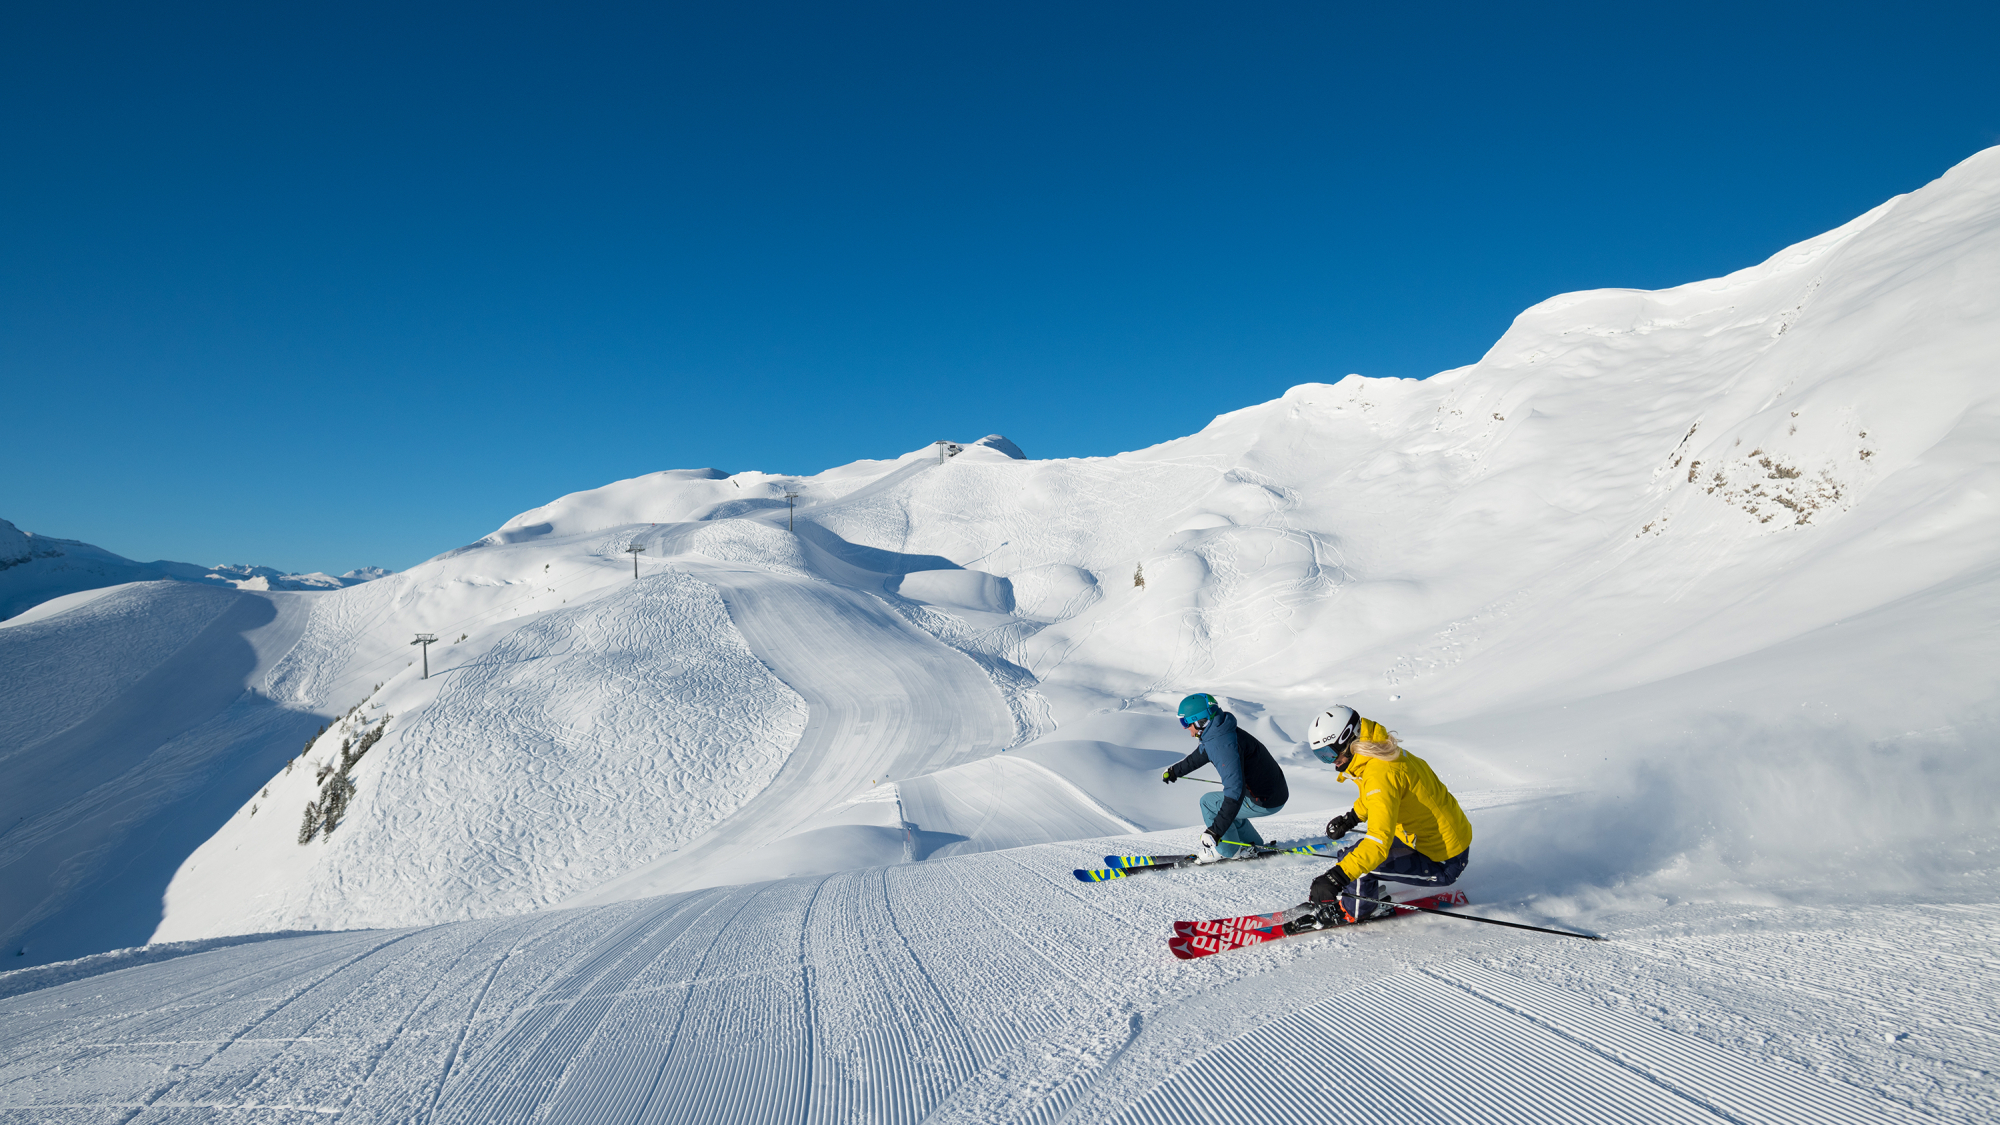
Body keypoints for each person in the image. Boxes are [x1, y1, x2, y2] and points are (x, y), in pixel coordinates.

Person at [1304, 705, 1472, 924]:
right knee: (1351, 857)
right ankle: (1359, 896)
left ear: (1347, 740)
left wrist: (1335, 878)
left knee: (1360, 867)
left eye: (1329, 754)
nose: (1330, 762)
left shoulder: (1380, 773)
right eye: (1320, 756)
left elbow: (1377, 843)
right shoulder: (1379, 753)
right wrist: (1351, 818)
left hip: (1443, 860)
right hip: (1431, 840)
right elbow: (1377, 796)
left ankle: (1355, 911)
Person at [1161, 693, 1289, 861]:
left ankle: (1226, 850)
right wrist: (1175, 771)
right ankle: (1251, 843)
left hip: (1264, 800)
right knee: (1223, 804)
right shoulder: (1219, 731)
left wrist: (1215, 831)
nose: (1185, 728)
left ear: (1201, 721)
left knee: (1208, 802)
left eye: (1185, 722)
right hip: (1273, 792)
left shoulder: (1222, 744)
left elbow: (1235, 792)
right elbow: (1200, 755)